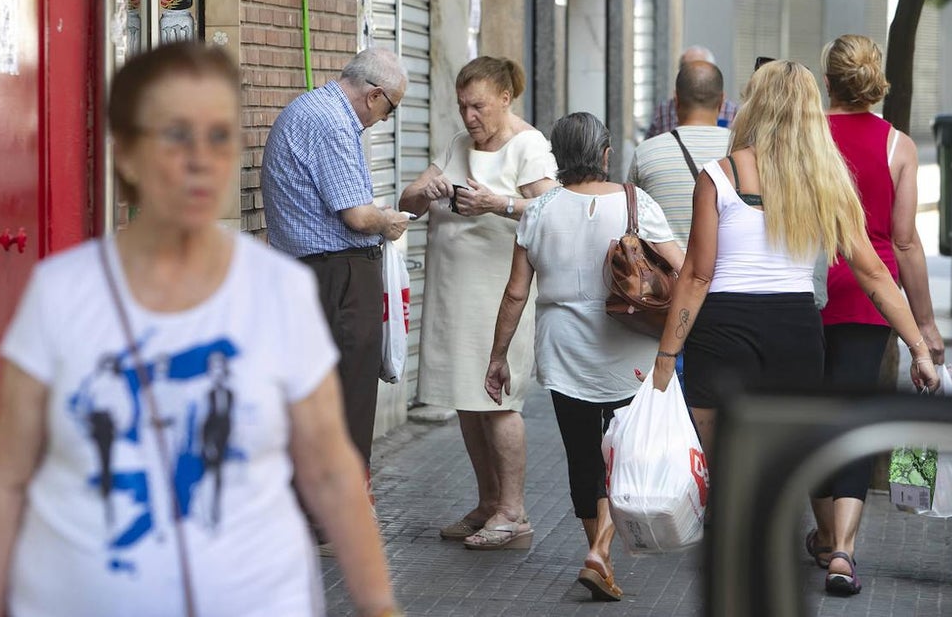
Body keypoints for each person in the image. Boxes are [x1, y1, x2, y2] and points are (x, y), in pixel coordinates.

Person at [0, 43, 400, 617]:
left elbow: (333, 472)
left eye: (218, 136)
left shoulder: (281, 291)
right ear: (126, 154)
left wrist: (379, 605)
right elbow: (8, 481)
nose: (200, 160)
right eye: (174, 135)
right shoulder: (60, 293)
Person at [646, 60, 940, 597]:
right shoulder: (826, 183)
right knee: (785, 465)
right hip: (795, 330)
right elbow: (874, 275)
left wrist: (667, 358)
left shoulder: (719, 174)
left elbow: (697, 275)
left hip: (721, 329)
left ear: (753, 106)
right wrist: (919, 346)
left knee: (727, 470)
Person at [485, 112, 683, 599]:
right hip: (628, 349)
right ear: (606, 154)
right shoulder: (637, 202)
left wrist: (498, 357)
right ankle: (600, 553)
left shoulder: (538, 211)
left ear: (558, 156)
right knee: (626, 455)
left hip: (563, 351)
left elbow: (515, 293)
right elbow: (682, 268)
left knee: (583, 456)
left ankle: (599, 554)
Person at [806, 35, 946, 596]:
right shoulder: (898, 145)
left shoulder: (805, 134)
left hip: (805, 290)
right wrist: (924, 326)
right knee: (854, 419)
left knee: (810, 416)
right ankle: (842, 548)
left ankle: (823, 534)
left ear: (828, 81)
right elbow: (906, 242)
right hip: (871, 298)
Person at [399, 56, 558, 551]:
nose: (469, 117)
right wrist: (426, 190)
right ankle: (489, 503)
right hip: (453, 293)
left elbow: (555, 210)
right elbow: (408, 202)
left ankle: (514, 512)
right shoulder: (457, 144)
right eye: (462, 106)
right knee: (466, 401)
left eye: (479, 107)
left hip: (498, 295)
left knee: (497, 402)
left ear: (505, 99)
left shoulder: (529, 145)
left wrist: (497, 204)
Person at [261, 48, 410, 480]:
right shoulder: (331, 122)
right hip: (335, 275)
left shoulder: (316, 110)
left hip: (317, 272)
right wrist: (388, 222)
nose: (385, 119)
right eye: (390, 109)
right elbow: (358, 217)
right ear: (375, 95)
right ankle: (340, 503)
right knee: (348, 397)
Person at [629, 61, 731, 248]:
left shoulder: (646, 152)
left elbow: (632, 218)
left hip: (665, 267)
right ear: (722, 101)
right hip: (727, 266)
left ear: (675, 101)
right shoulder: (742, 151)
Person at [645, 46, 738, 138]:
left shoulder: (733, 112)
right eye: (688, 71)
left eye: (702, 71)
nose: (696, 76)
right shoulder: (663, 111)